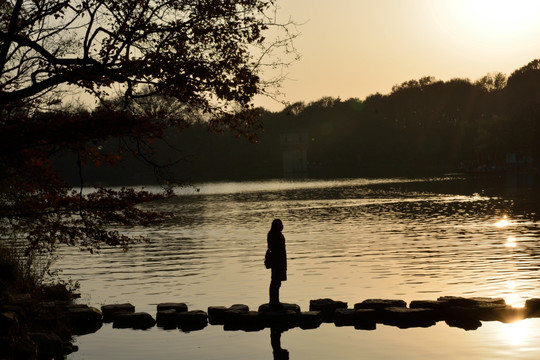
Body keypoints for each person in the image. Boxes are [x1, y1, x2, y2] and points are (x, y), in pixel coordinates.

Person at [267, 219, 287, 308]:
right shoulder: (276, 235)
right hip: (278, 261)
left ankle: (274, 300)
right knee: (276, 281)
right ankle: (274, 301)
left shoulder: (271, 234)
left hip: (278, 260)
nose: (282, 226)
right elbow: (277, 249)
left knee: (276, 281)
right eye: (280, 224)